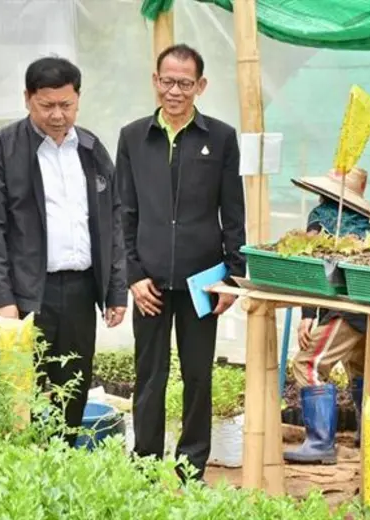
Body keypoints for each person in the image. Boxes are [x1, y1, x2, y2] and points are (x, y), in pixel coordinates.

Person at [0, 56, 128, 444]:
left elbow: (112, 221)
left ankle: (64, 462)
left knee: (73, 388)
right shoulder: (2, 149)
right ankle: (22, 468)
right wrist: (2, 299)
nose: (58, 115)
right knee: (18, 396)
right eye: (47, 105)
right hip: (26, 294)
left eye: (66, 105)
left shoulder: (91, 148)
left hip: (80, 290)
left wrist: (115, 290)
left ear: (78, 99)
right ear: (27, 98)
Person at [116, 43, 245, 480]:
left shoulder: (220, 138)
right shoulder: (133, 137)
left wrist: (233, 277)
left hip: (202, 281)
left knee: (198, 375)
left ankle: (191, 466)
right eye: (167, 81)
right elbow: (124, 212)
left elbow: (233, 211)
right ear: (155, 81)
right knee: (149, 375)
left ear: (200, 86)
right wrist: (133, 275)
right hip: (148, 282)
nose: (175, 91)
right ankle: (146, 464)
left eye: (185, 83)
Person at [284, 167, 370, 464]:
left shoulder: (321, 217)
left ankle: (320, 444)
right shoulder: (367, 228)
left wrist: (307, 313)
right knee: (360, 366)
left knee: (308, 363)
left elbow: (314, 265)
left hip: (349, 310)